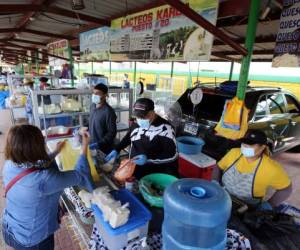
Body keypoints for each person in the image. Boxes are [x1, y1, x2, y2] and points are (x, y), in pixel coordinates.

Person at [2, 125, 94, 250]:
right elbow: (81, 173)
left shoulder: (9, 164)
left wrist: (55, 152)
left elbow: (33, 166)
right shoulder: (43, 180)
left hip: (10, 228)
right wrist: (84, 146)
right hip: (33, 240)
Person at [212, 129, 292, 209]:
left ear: (262, 147)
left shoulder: (271, 168)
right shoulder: (234, 153)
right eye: (244, 142)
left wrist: (269, 204)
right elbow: (218, 167)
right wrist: (215, 182)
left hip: (247, 207)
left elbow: (286, 189)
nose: (245, 146)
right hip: (223, 197)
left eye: (250, 144)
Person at [105, 98, 178, 179]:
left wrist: (148, 159)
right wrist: (117, 149)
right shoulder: (137, 122)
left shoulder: (166, 128)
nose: (140, 120)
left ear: (152, 113)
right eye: (138, 117)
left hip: (153, 174)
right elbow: (129, 137)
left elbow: (173, 155)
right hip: (134, 170)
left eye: (144, 117)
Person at [89, 83, 117, 154]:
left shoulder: (109, 112)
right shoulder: (92, 106)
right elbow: (91, 121)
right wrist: (82, 128)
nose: (95, 95)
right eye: (94, 93)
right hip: (92, 144)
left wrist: (99, 144)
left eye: (98, 93)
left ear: (105, 96)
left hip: (104, 148)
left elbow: (112, 132)